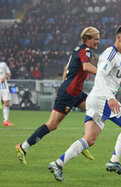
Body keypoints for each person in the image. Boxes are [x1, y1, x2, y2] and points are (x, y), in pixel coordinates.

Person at [48, 25, 121, 182]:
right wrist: (110, 97)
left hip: (103, 98)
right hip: (102, 98)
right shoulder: (110, 54)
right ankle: (113, 161)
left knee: (90, 139)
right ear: (119, 38)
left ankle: (58, 164)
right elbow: (100, 76)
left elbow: (119, 74)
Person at [15, 26, 100, 164]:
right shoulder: (85, 50)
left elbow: (66, 68)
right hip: (68, 94)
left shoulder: (77, 50)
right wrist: (103, 74)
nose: (98, 41)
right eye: (96, 39)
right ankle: (23, 147)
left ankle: (84, 142)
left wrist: (66, 83)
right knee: (52, 125)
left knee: (96, 110)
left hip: (75, 93)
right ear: (87, 39)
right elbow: (86, 67)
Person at [0, 58, 13, 126]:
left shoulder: (3, 64)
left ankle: (6, 121)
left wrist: (4, 78)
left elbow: (9, 73)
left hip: (4, 86)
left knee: (6, 103)